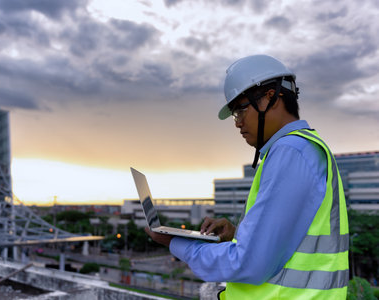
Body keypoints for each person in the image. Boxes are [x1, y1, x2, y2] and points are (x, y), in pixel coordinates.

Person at [145, 55, 349, 299]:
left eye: (241, 108)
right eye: (234, 114)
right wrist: (235, 236)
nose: (238, 122)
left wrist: (175, 243)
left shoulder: (291, 152)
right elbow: (291, 243)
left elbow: (249, 263)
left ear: (271, 97)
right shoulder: (299, 150)